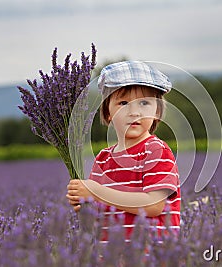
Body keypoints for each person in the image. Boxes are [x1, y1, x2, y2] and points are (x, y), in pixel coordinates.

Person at [66, 61, 181, 242]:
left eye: (144, 103)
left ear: (157, 111)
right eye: (123, 103)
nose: (134, 112)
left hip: (153, 255)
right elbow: (103, 206)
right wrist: (84, 201)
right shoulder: (103, 159)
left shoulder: (156, 151)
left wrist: (97, 192)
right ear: (108, 111)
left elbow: (154, 205)